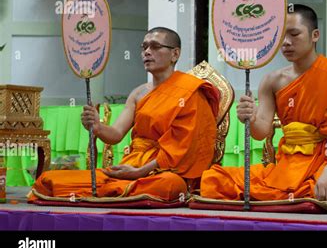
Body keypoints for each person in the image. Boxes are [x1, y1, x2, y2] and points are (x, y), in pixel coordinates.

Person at [200, 5, 327, 213]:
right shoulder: (272, 80)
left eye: (294, 34)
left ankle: (293, 197)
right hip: (287, 167)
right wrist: (251, 117)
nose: (286, 43)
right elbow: (260, 132)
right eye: (279, 36)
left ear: (315, 35)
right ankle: (295, 198)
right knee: (214, 181)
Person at [29, 27, 219, 203]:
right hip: (131, 165)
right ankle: (117, 190)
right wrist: (97, 126)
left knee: (168, 185)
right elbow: (115, 135)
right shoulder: (138, 94)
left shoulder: (190, 92)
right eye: (144, 47)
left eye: (155, 46)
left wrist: (139, 173)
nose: (147, 52)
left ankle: (111, 191)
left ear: (175, 54)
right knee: (49, 179)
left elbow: (184, 148)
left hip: (165, 171)